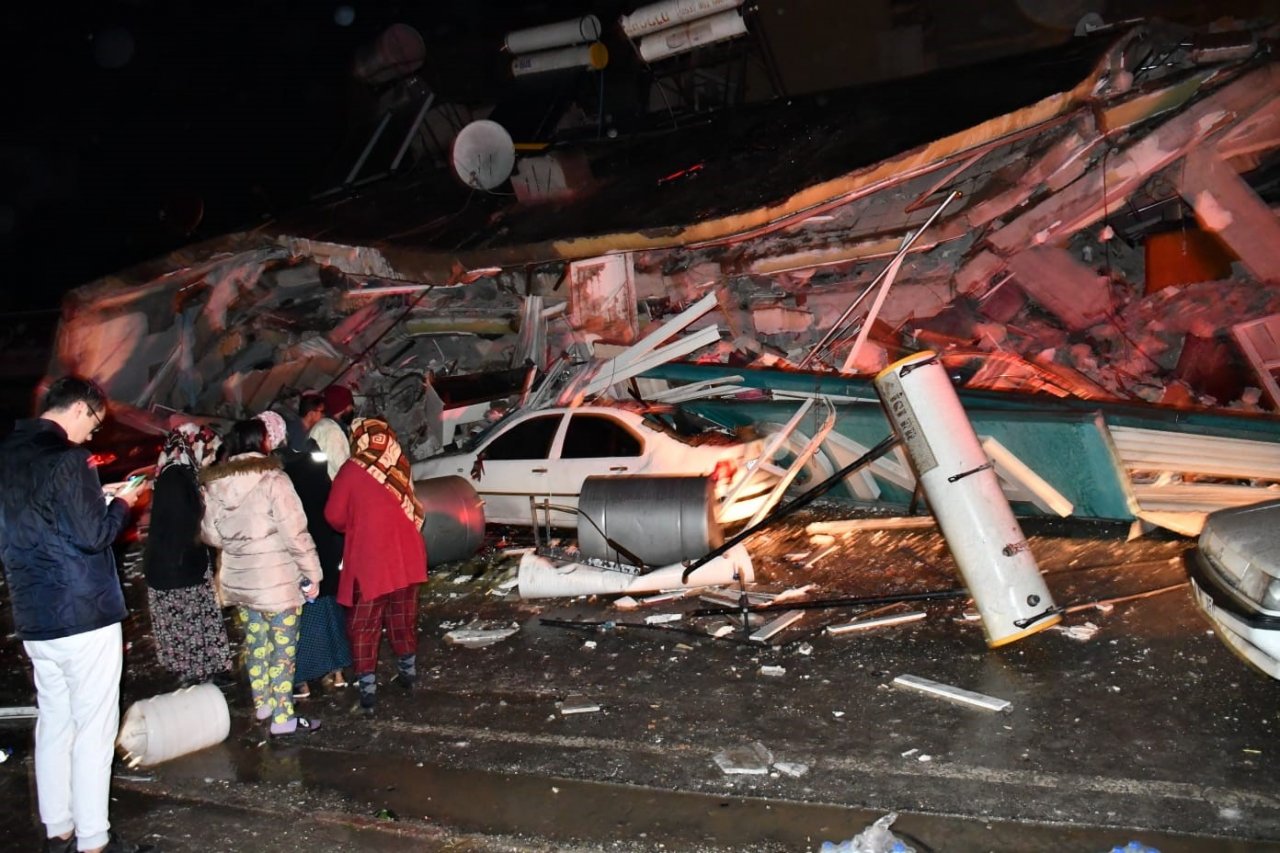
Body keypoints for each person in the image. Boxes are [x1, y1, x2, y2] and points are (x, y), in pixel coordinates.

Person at [0, 376, 152, 853]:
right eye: (96, 423)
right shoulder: (68, 459)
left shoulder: (8, 455)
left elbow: (45, 521)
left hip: (35, 614)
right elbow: (92, 536)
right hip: (84, 612)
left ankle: (59, 828)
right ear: (82, 409)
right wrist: (122, 503)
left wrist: (96, 503)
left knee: (54, 721)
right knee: (93, 727)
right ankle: (94, 841)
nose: (94, 435)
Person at [199, 418, 322, 738]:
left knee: (255, 644)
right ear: (262, 442)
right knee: (283, 652)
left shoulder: (216, 484)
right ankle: (283, 718)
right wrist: (312, 573)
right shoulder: (274, 480)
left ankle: (263, 704)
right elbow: (296, 533)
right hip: (278, 584)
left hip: (242, 583)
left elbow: (212, 535)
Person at [324, 417, 426, 715]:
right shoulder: (399, 461)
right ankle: (408, 672)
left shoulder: (352, 469)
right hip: (407, 554)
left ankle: (368, 688)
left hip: (371, 559)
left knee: (364, 624)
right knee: (402, 614)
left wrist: (356, 521)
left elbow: (333, 516)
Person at [257, 411, 350, 699]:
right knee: (329, 606)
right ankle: (337, 671)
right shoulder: (311, 458)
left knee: (303, 613)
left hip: (297, 549)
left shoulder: (273, 472)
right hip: (325, 543)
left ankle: (303, 679)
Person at [141, 423, 233, 689]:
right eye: (210, 453)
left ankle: (211, 671)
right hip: (176, 568)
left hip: (184, 564)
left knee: (200, 618)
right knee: (186, 622)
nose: (211, 460)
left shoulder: (181, 474)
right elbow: (186, 523)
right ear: (195, 446)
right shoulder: (176, 478)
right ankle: (195, 675)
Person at [305, 386, 353, 480]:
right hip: (331, 486)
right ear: (345, 407)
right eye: (351, 404)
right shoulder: (330, 431)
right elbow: (342, 467)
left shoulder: (327, 427)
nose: (353, 408)